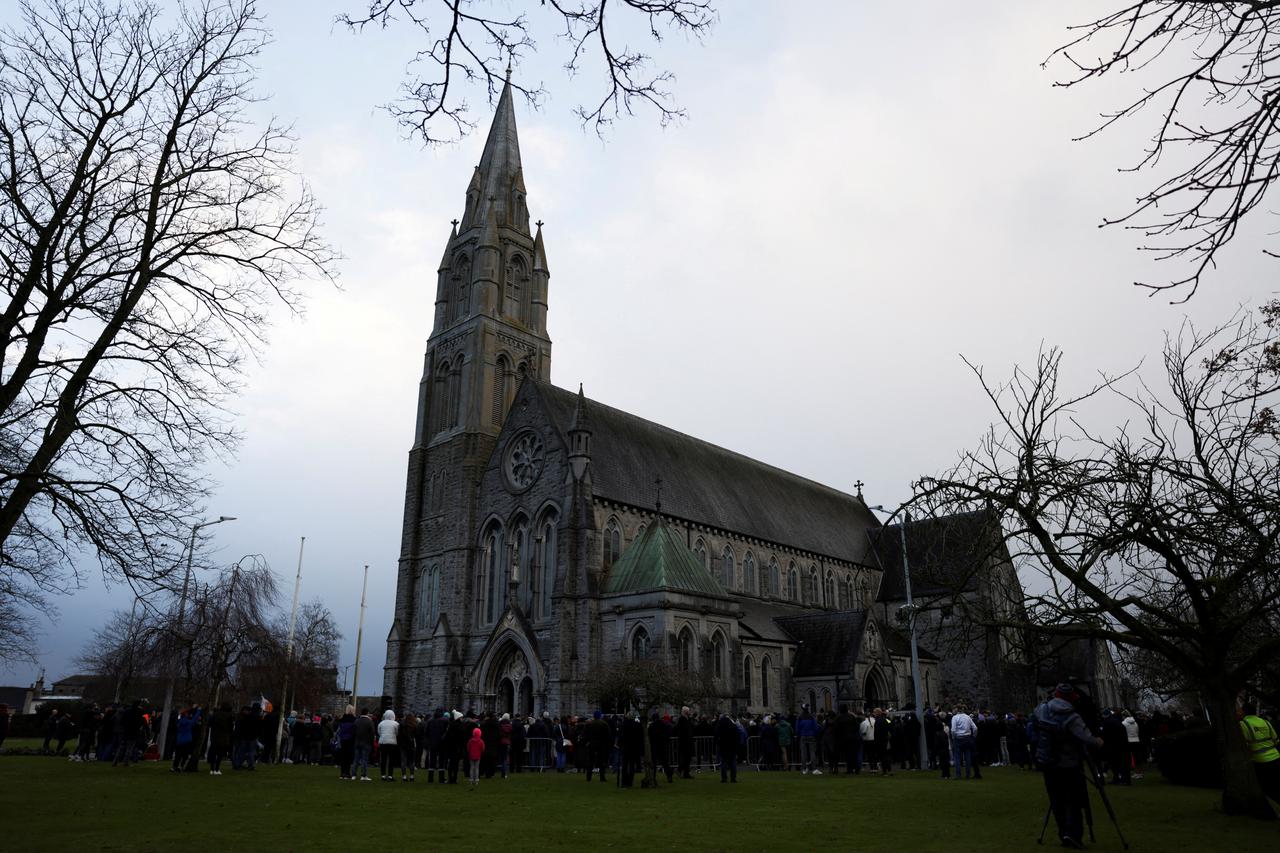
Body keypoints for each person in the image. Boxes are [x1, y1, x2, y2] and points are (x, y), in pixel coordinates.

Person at [1033, 683, 1105, 850]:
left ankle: (1064, 833)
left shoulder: (1042, 710)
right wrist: (1098, 741)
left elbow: (1035, 721)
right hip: (1069, 763)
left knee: (1056, 800)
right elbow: (1086, 738)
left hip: (1048, 762)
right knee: (1074, 799)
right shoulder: (1071, 716)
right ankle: (1073, 834)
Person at [1238, 707, 1280, 804]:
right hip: (1276, 757)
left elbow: (1244, 744)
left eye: (1239, 710)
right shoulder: (1265, 722)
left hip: (1260, 761)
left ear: (1244, 712)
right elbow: (1276, 740)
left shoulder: (1243, 724)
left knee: (1267, 787)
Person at [950, 706, 978, 780]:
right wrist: (973, 737)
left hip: (958, 738)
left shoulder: (955, 717)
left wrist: (953, 737)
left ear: (957, 710)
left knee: (957, 757)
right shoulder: (968, 717)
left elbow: (953, 730)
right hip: (967, 738)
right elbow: (975, 728)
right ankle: (968, 774)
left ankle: (958, 775)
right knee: (967, 756)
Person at [208, 702, 235, 776]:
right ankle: (217, 769)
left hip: (214, 735)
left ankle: (212, 769)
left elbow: (210, 723)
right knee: (220, 754)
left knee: (213, 752)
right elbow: (230, 727)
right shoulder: (229, 716)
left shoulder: (215, 714)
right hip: (224, 736)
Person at [171, 706, 200, 772]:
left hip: (179, 740)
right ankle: (181, 766)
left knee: (177, 755)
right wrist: (198, 711)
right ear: (186, 715)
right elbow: (194, 720)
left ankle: (174, 767)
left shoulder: (179, 722)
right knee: (185, 755)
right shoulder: (188, 722)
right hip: (187, 740)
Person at [586, 710, 611, 783]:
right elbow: (608, 735)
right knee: (601, 761)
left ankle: (588, 777)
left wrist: (588, 741)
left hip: (592, 744)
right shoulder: (604, 724)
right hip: (601, 744)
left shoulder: (590, 724)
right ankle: (602, 777)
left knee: (590, 760)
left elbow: (586, 734)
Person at [715, 713, 740, 783]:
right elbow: (737, 735)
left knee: (724, 762)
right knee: (733, 762)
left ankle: (724, 778)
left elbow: (716, 734)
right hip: (732, 746)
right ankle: (733, 778)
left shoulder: (720, 724)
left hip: (723, 746)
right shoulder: (733, 724)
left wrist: (718, 742)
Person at [796, 705, 820, 774]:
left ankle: (804, 769)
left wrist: (799, 734)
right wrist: (815, 734)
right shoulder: (811, 717)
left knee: (803, 753)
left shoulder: (800, 717)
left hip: (803, 735)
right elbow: (815, 726)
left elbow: (797, 728)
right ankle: (814, 769)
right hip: (811, 735)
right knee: (812, 752)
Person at [377, 709, 399, 781]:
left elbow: (379, 732)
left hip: (383, 742)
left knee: (383, 759)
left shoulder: (381, 723)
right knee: (391, 760)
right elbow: (397, 733)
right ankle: (390, 775)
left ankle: (383, 775)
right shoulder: (396, 723)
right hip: (392, 743)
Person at [353, 708, 375, 781]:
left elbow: (353, 732)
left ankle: (353, 775)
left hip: (357, 742)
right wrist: (372, 743)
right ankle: (363, 775)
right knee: (364, 760)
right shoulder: (369, 721)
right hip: (366, 742)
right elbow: (372, 734)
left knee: (356, 759)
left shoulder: (356, 721)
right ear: (367, 713)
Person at [336, 706, 357, 780]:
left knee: (343, 757)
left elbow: (338, 732)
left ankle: (342, 773)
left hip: (343, 740)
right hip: (351, 740)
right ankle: (347, 773)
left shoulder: (342, 720)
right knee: (349, 757)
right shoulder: (354, 720)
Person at [873, 708, 893, 776]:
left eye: (874, 712)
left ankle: (885, 771)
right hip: (885, 740)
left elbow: (877, 732)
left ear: (877, 713)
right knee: (885, 756)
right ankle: (889, 770)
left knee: (882, 757)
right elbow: (890, 724)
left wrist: (876, 740)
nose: (874, 714)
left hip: (880, 741)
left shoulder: (878, 720)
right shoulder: (885, 719)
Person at [675, 706, 694, 779]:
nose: (689, 712)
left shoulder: (687, 719)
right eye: (688, 711)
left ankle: (686, 773)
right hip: (684, 742)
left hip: (688, 741)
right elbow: (680, 731)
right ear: (685, 712)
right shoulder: (682, 719)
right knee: (685, 758)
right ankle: (679, 770)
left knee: (688, 758)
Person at [399, 711, 417, 781]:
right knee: (411, 761)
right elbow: (416, 735)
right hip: (411, 745)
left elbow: (399, 735)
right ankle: (412, 776)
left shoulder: (402, 725)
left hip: (403, 745)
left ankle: (404, 776)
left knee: (403, 761)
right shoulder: (414, 725)